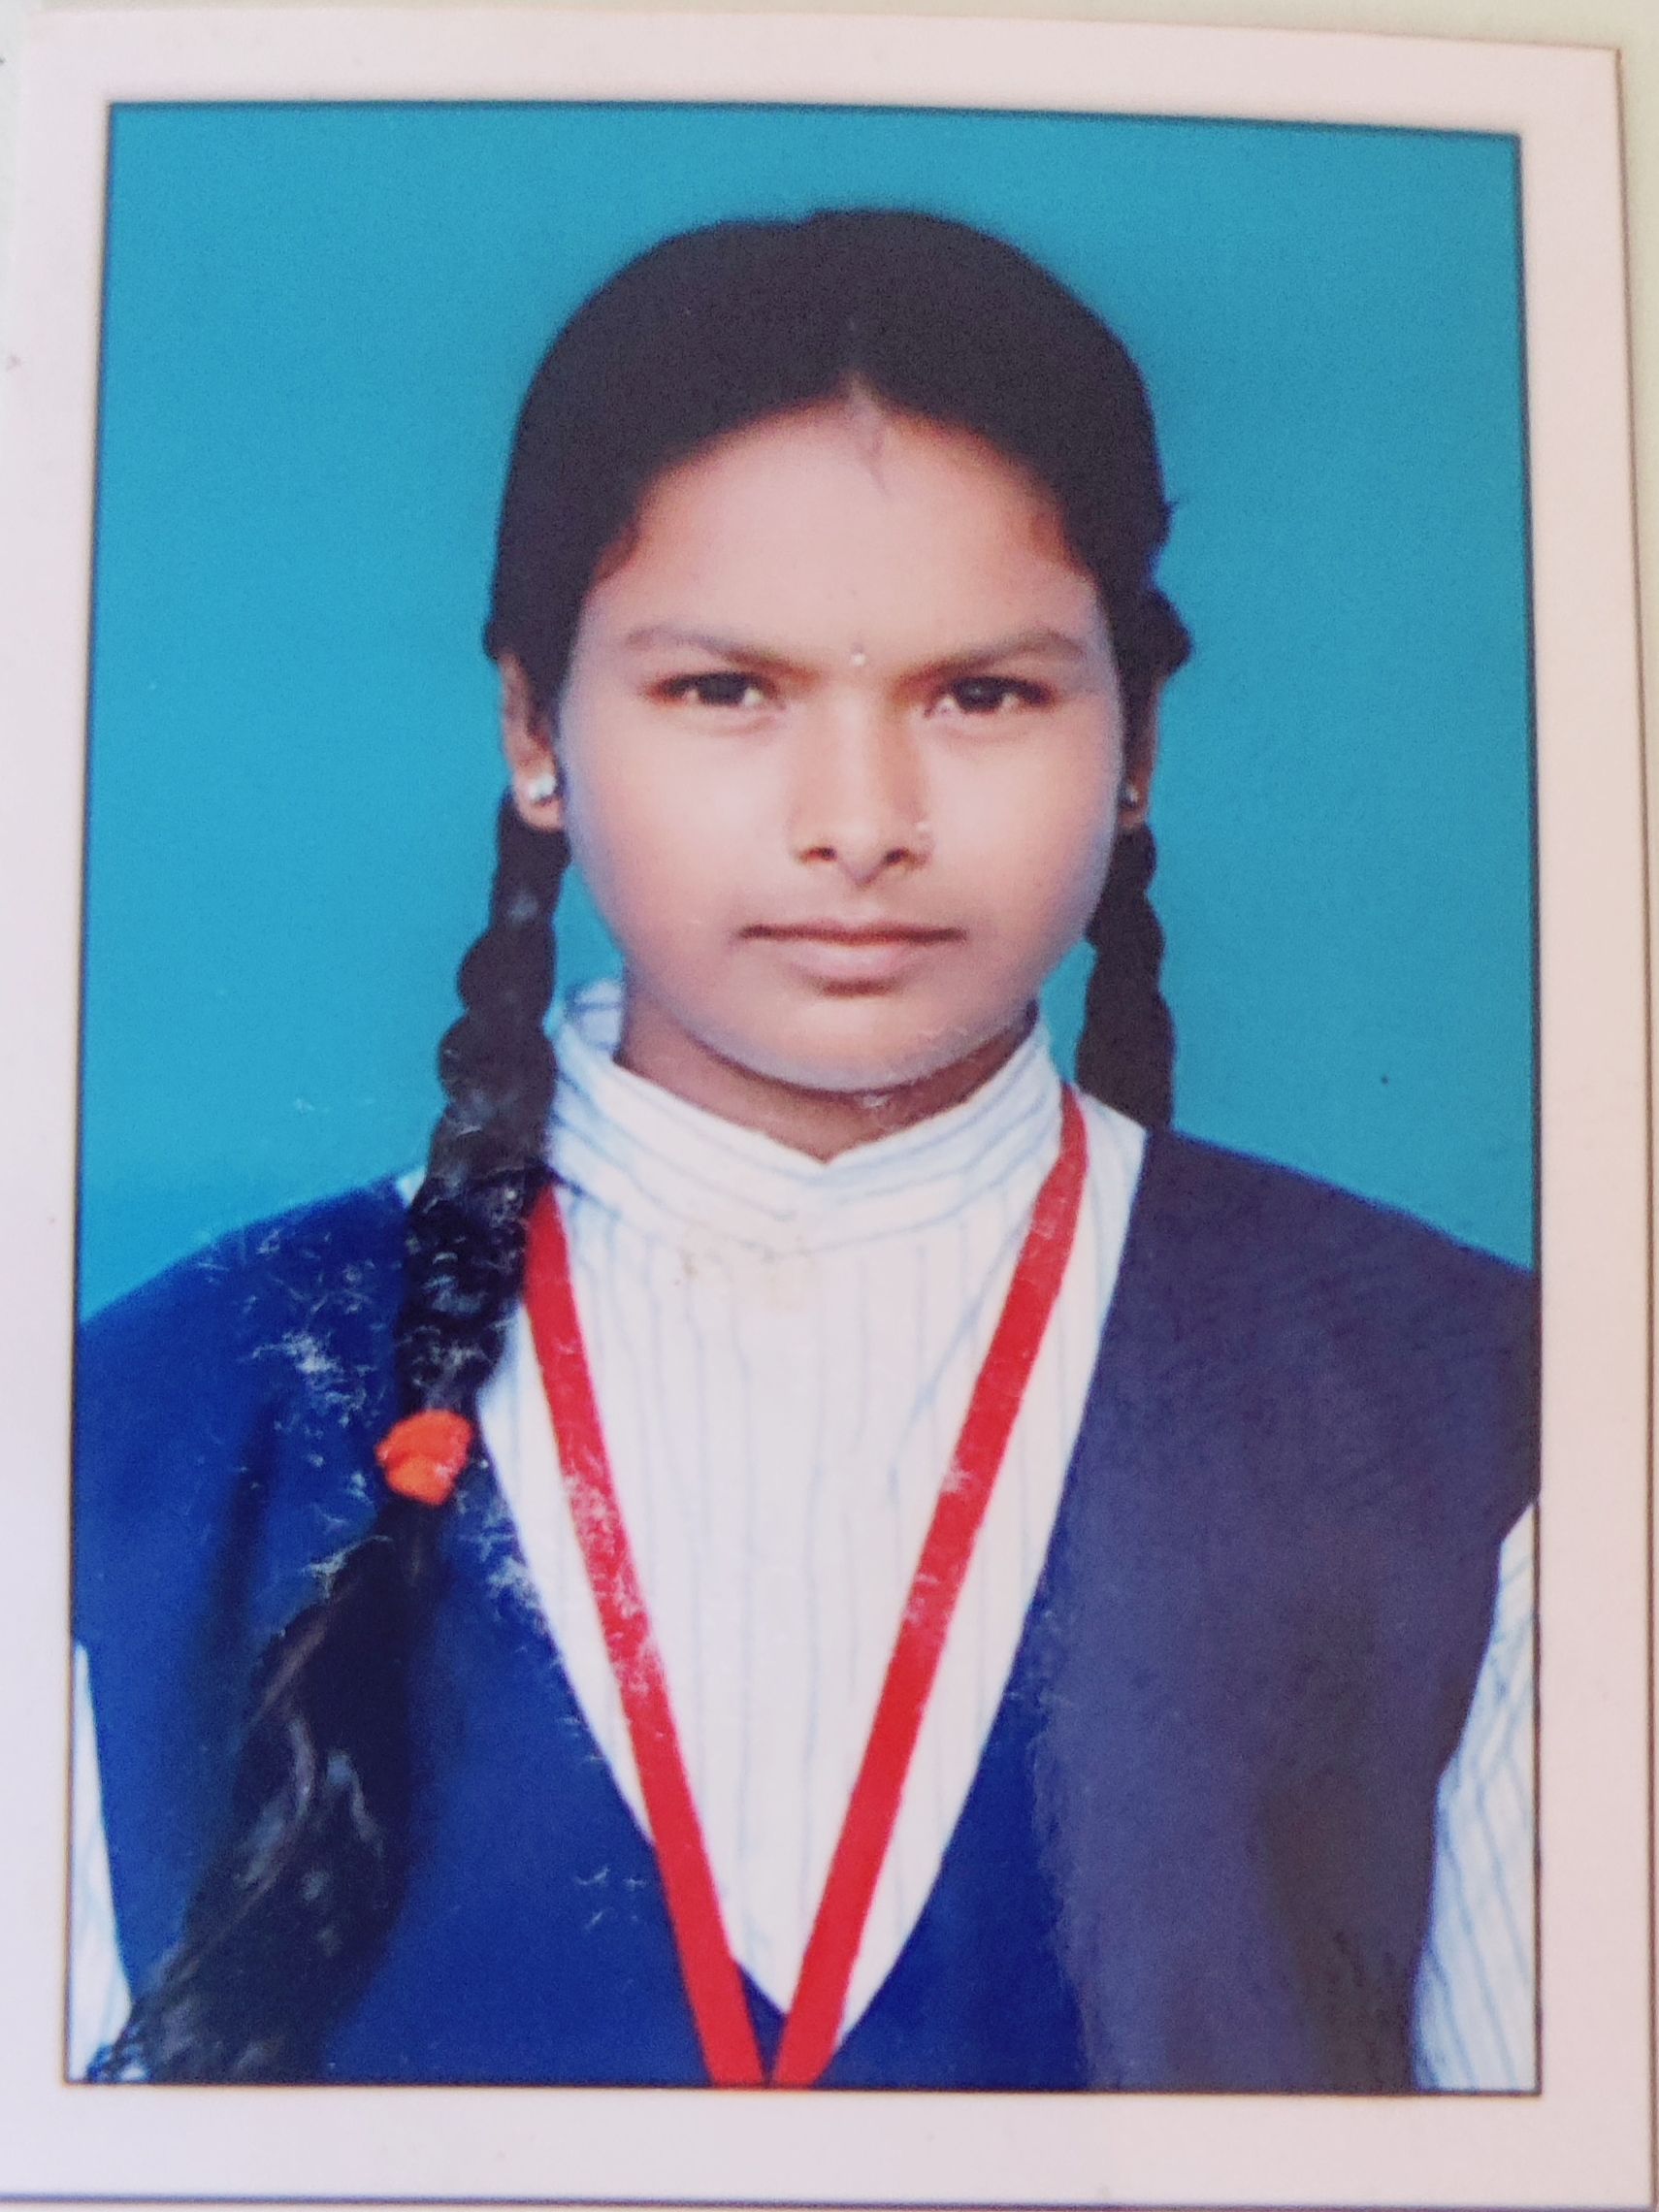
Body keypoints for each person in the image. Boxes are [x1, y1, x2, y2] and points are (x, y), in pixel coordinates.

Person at [70, 210, 1538, 2093]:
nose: (859, 823)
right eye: (726, 691)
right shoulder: (148, 1429)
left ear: (1138, 738)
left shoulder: (1477, 1415)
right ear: (531, 725)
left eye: (981, 694)